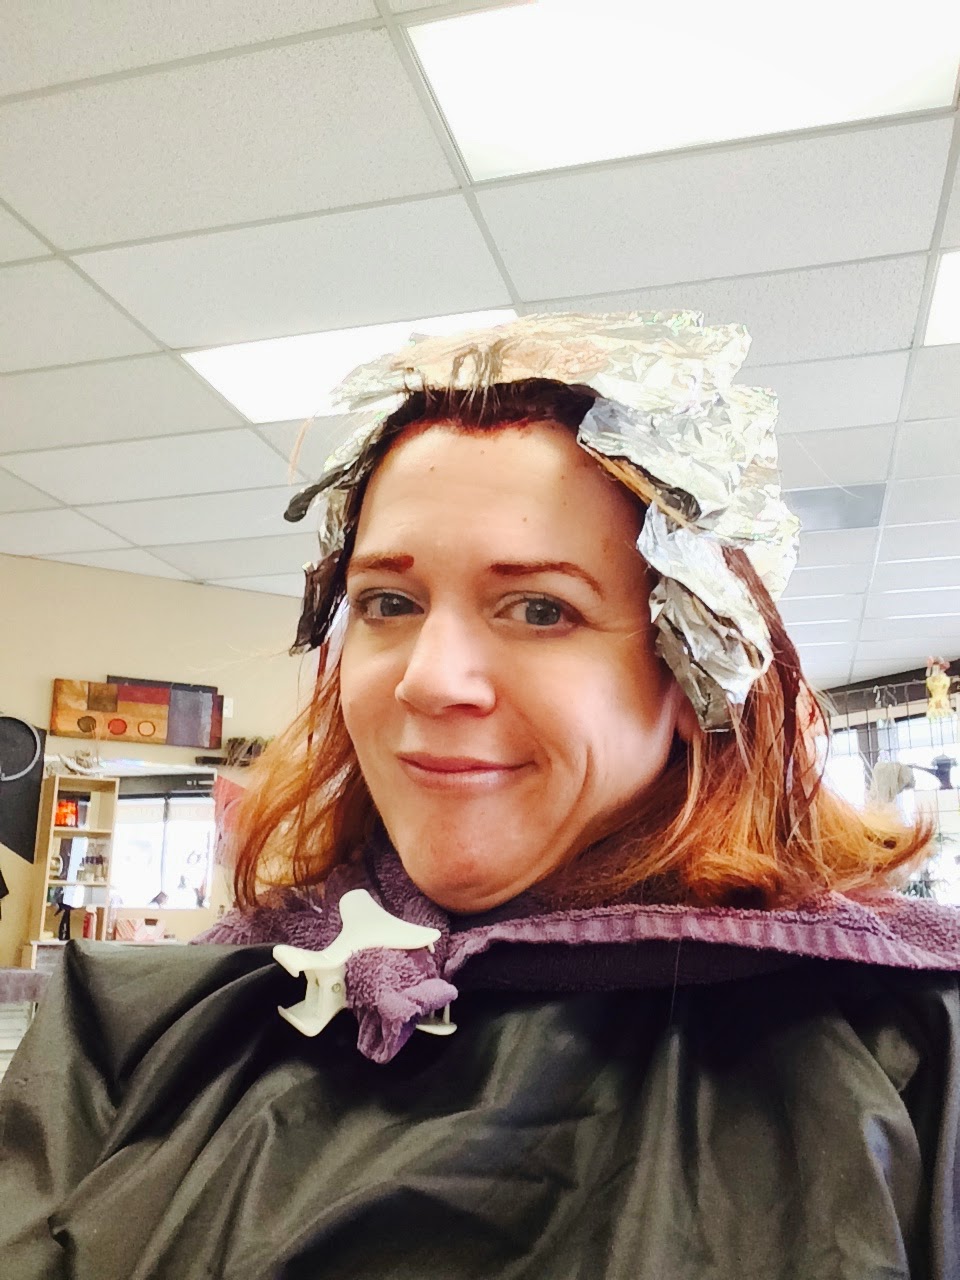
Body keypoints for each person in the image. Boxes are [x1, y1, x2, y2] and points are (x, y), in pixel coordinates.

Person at [3, 312, 960, 1279]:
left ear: (692, 677)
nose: (429, 680)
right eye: (389, 602)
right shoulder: (138, 1026)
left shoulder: (910, 1055)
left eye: (541, 609)